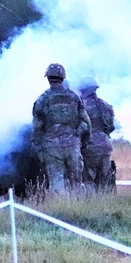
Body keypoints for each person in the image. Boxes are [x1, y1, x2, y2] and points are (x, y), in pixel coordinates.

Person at [32, 63, 90, 193]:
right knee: (76, 182)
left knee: (56, 182)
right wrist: (82, 142)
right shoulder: (75, 97)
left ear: (48, 78)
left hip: (51, 147)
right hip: (73, 144)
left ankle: (59, 210)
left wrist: (40, 152)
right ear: (63, 77)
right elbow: (86, 122)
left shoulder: (42, 99)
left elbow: (37, 129)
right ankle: (76, 210)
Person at [77, 76, 115, 190]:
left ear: (84, 90)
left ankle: (91, 205)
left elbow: (79, 129)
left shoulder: (81, 106)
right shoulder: (106, 105)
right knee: (105, 182)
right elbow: (111, 127)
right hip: (105, 147)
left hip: (89, 147)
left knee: (88, 181)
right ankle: (105, 204)